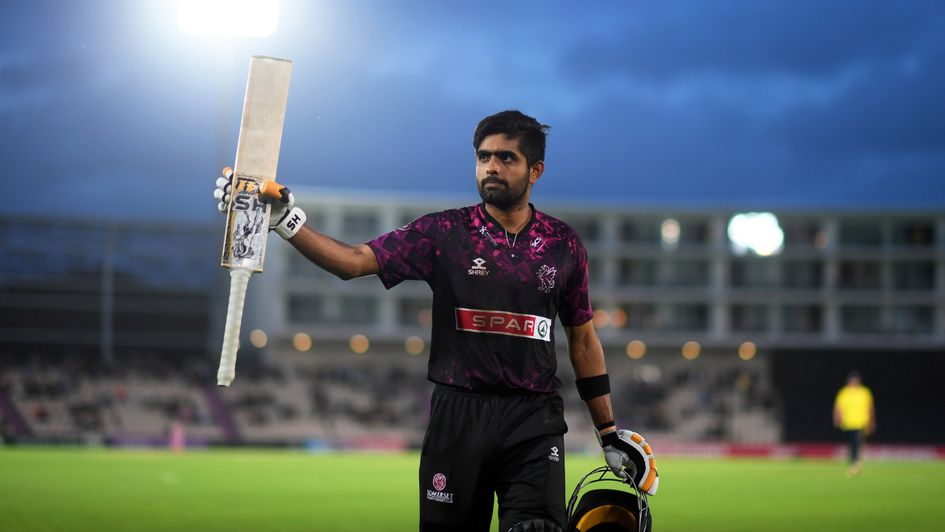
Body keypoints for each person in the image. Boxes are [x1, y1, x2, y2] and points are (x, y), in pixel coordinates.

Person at [214, 110, 658, 531]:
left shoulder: (563, 244)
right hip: (457, 415)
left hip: (534, 418)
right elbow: (352, 262)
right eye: (484, 156)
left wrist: (607, 431)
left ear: (535, 171)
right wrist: (286, 222)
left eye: (507, 158)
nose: (491, 167)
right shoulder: (443, 233)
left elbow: (582, 340)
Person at [833, 371, 875, 476]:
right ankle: (854, 461)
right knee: (853, 443)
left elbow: (870, 408)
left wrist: (871, 422)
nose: (854, 382)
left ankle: (856, 463)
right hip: (848, 423)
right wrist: (837, 419)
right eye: (852, 380)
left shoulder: (864, 392)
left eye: (856, 380)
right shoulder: (844, 392)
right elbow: (838, 408)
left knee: (858, 442)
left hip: (861, 422)